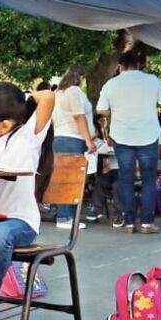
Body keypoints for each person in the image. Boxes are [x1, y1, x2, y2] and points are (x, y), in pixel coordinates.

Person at [0, 83, 55, 315]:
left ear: (5, 124)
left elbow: (47, 96)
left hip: (19, 221)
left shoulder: (27, 138)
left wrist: (22, 101)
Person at [96, 51, 161, 234]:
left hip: (122, 137)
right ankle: (147, 223)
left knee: (126, 179)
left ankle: (129, 222)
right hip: (147, 136)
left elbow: (101, 109)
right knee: (148, 180)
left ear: (120, 66)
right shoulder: (152, 80)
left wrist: (116, 112)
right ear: (138, 65)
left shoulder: (111, 84)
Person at [51, 65, 94, 229]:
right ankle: (64, 217)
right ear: (80, 77)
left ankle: (63, 214)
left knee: (63, 178)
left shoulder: (58, 93)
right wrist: (88, 140)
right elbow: (78, 115)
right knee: (72, 180)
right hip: (73, 138)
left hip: (59, 137)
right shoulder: (74, 91)